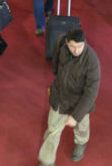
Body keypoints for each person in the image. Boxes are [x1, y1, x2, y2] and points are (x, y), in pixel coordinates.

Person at [36, 27, 101, 166]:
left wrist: (76, 116)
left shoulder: (92, 60)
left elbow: (91, 92)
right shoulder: (60, 42)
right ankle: (47, 161)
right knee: (52, 130)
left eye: (80, 46)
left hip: (80, 100)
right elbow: (55, 64)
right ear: (66, 42)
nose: (76, 50)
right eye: (72, 46)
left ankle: (81, 142)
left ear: (84, 43)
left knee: (82, 127)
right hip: (60, 97)